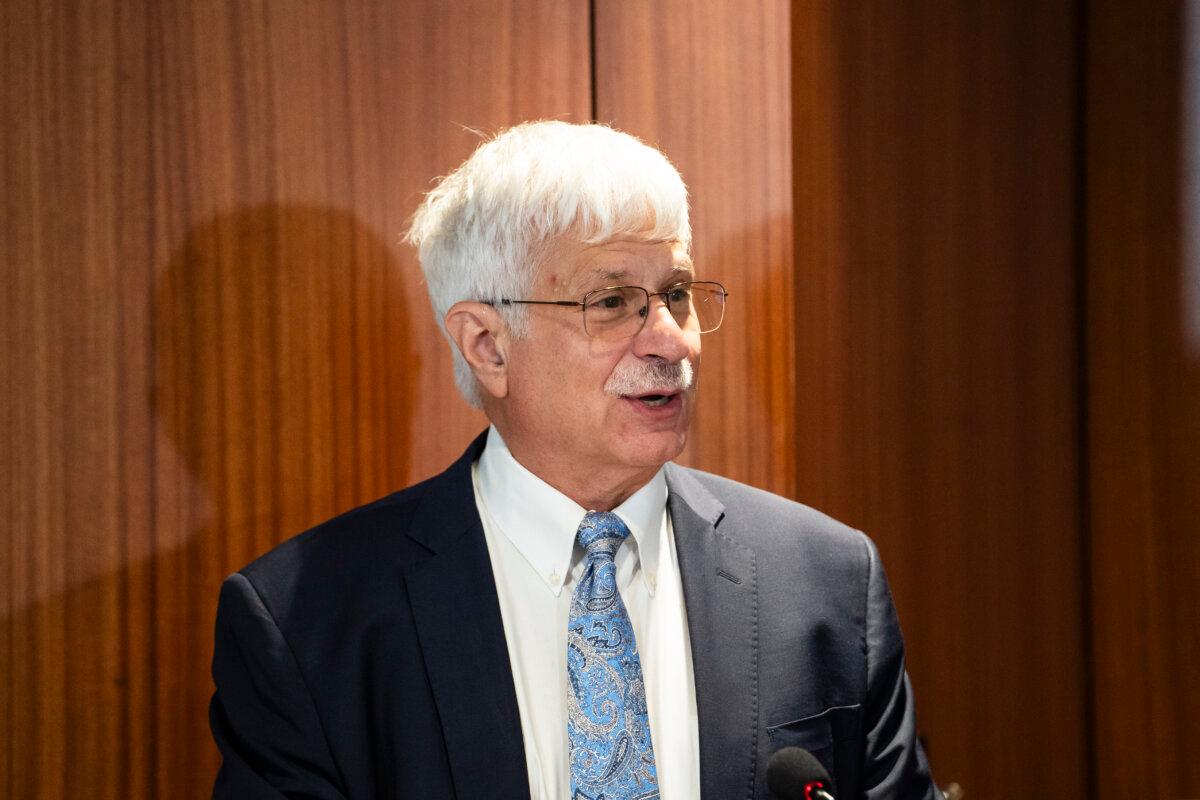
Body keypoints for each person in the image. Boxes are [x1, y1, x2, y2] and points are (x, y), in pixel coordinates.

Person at [209, 121, 939, 799]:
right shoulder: (309, 623)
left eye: (676, 295)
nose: (673, 342)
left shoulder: (826, 582)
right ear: (487, 346)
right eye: (614, 302)